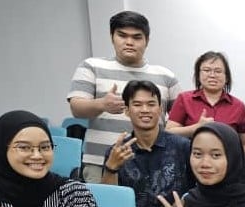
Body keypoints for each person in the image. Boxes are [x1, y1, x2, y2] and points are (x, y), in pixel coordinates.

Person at [67, 10, 181, 183]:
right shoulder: (91, 66)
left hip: (154, 162)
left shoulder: (166, 76)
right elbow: (76, 108)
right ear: (112, 36)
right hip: (101, 162)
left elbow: (180, 117)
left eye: (137, 37)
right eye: (122, 35)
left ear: (147, 40)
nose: (129, 42)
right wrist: (102, 104)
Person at [102, 80, 193, 207]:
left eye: (151, 104)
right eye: (137, 104)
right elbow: (111, 204)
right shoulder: (117, 152)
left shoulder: (183, 147)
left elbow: (199, 188)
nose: (145, 109)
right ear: (127, 110)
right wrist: (111, 168)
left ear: (160, 109)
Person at [167, 51, 245, 157]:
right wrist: (195, 128)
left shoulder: (238, 106)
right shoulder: (184, 99)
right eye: (207, 70)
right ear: (198, 75)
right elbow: (169, 133)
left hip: (228, 168)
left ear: (226, 77)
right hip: (189, 166)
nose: (212, 75)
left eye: (218, 71)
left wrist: (241, 166)